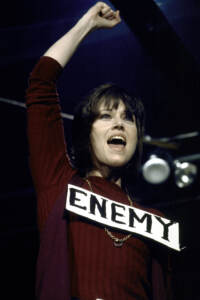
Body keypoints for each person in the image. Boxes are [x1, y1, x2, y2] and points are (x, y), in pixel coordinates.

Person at [26, 2, 173, 300]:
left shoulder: (154, 220)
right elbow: (40, 84)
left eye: (128, 118)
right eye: (106, 116)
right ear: (86, 133)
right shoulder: (60, 184)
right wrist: (87, 25)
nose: (119, 124)